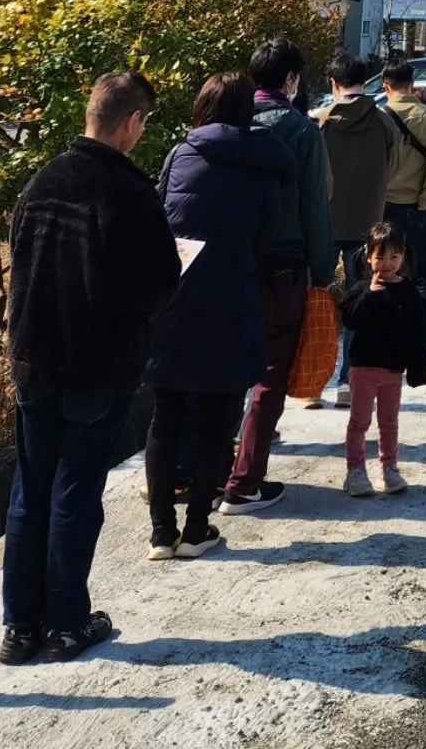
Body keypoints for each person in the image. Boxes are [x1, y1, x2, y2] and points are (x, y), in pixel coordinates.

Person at [2, 73, 181, 665]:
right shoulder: (128, 194)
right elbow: (156, 286)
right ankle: (66, 624)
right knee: (75, 493)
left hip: (34, 358)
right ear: (132, 122)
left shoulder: (40, 182)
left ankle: (19, 626)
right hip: (95, 365)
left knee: (30, 492)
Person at [146, 73, 295, 561]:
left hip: (173, 293)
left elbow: (158, 216)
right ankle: (197, 530)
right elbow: (265, 232)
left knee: (165, 415)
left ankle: (161, 533)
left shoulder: (180, 153)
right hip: (232, 297)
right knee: (215, 417)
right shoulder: (265, 162)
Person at [220, 39, 334, 517]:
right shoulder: (302, 132)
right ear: (291, 80)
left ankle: (207, 472)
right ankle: (244, 483)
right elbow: (315, 206)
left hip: (229, 266)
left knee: (224, 370)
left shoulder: (227, 124)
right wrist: (324, 274)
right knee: (270, 376)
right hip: (283, 268)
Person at [317, 51, 399, 408]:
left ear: (333, 84)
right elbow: (392, 170)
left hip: (323, 221)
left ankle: (309, 382)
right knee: (359, 301)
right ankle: (347, 380)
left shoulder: (318, 122)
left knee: (317, 301)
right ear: (364, 83)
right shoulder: (384, 122)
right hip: (367, 222)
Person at [340, 221, 426, 498]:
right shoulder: (361, 290)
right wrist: (370, 294)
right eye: (380, 256)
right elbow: (350, 320)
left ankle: (390, 468)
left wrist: (417, 368)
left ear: (403, 256)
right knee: (360, 422)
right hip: (363, 369)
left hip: (393, 371)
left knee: (389, 422)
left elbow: (416, 333)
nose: (387, 263)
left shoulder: (410, 292)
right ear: (368, 257)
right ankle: (355, 471)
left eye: (394, 256)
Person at [380, 59, 426, 358]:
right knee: (422, 274)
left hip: (384, 206)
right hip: (419, 206)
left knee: (383, 272)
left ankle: (389, 337)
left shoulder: (379, 117)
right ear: (412, 85)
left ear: (385, 87)